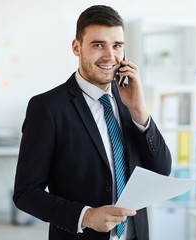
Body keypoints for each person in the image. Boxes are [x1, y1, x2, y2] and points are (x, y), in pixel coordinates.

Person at [13, 5, 172, 240]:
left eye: (117, 46)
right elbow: (26, 193)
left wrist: (139, 112)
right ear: (77, 47)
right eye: (98, 45)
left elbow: (161, 171)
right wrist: (85, 216)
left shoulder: (130, 100)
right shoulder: (47, 108)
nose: (110, 56)